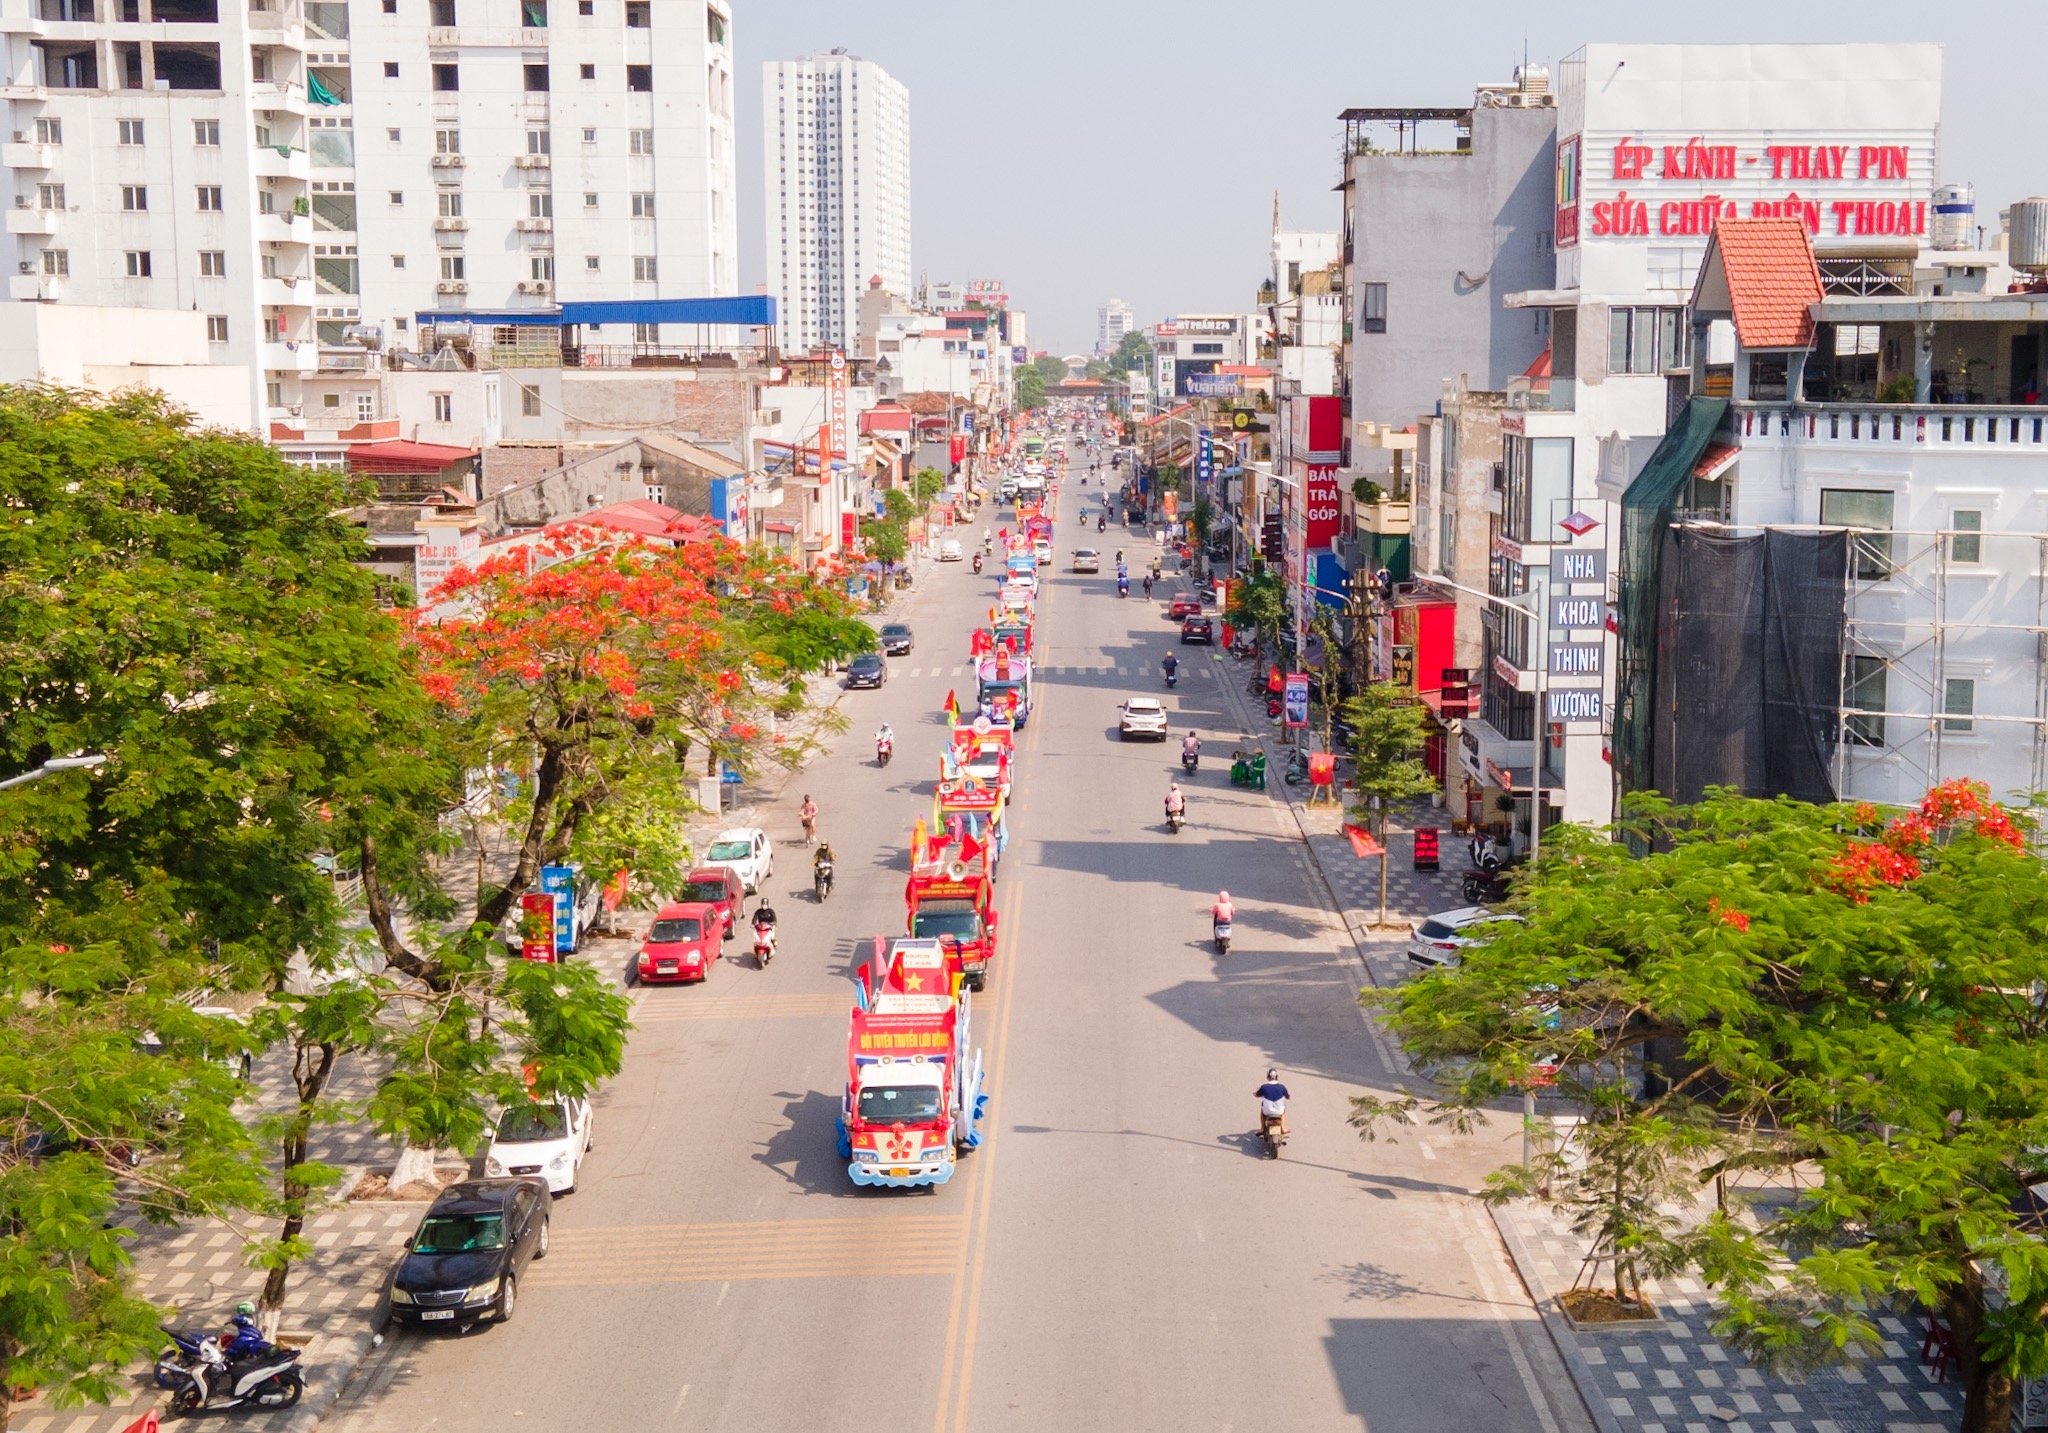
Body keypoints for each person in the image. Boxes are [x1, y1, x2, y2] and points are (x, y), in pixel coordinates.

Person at [1255, 1068, 1290, 1138]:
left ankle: (1262, 1128)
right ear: (1277, 1077)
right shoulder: (1282, 1087)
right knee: (1283, 1112)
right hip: (1279, 1111)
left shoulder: (1264, 1087)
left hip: (1267, 1111)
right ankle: (1283, 1128)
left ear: (1267, 1077)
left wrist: (1255, 1094)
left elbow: (1257, 1095)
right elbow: (1288, 1097)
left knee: (1262, 1112)